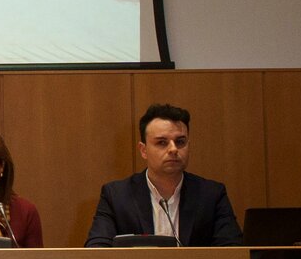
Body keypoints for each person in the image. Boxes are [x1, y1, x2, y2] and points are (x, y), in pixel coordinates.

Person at [84, 103, 242, 247]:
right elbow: (97, 250)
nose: (173, 149)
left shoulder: (211, 195)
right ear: (143, 150)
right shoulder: (117, 195)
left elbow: (234, 252)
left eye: (180, 142)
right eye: (162, 142)